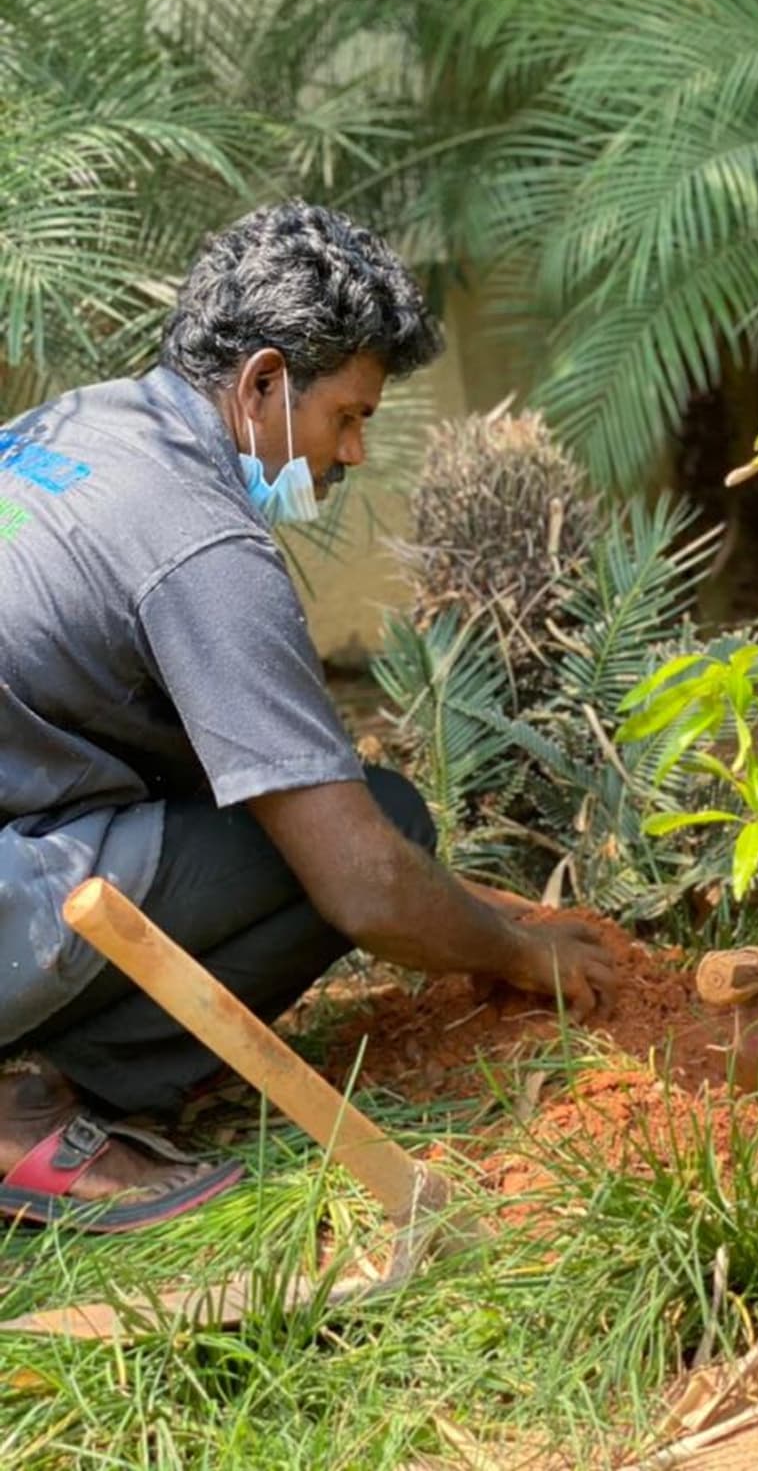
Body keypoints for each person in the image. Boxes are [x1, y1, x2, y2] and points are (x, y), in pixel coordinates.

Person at [0, 201, 615, 1230]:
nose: (356, 454)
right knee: (378, 821)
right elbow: (362, 883)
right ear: (263, 383)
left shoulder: (75, 427)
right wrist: (517, 952)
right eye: (349, 416)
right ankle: (34, 1100)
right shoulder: (200, 547)